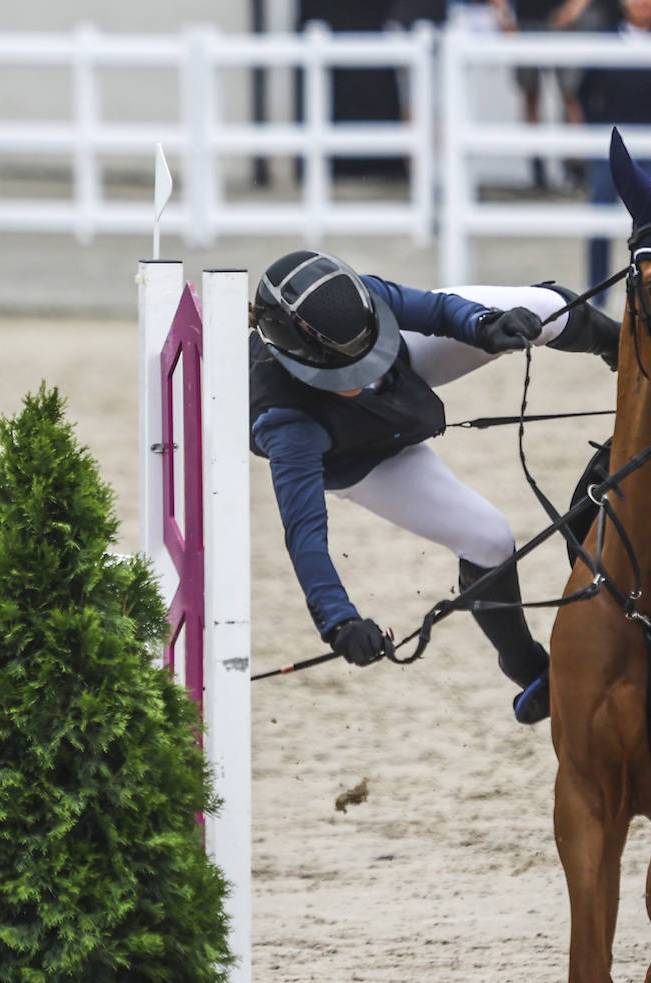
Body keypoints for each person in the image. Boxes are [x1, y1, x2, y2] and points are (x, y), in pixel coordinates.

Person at [248, 250, 620, 724]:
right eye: (346, 377)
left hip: (403, 361)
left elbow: (440, 311)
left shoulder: (363, 299)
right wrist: (338, 620)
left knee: (545, 307)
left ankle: (632, 352)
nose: (365, 381)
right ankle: (526, 667)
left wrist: (485, 326)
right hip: (361, 457)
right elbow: (304, 534)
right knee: (488, 536)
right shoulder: (287, 425)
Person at [576, 0, 651, 301]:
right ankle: (598, 295)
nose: (645, 4)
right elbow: (585, 89)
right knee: (599, 217)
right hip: (611, 146)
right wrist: (597, 132)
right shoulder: (604, 39)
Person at [487, 0, 604, 190]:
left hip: (564, 20)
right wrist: (503, 16)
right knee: (531, 96)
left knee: (571, 95)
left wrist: (572, 9)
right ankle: (537, 168)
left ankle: (575, 167)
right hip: (526, 22)